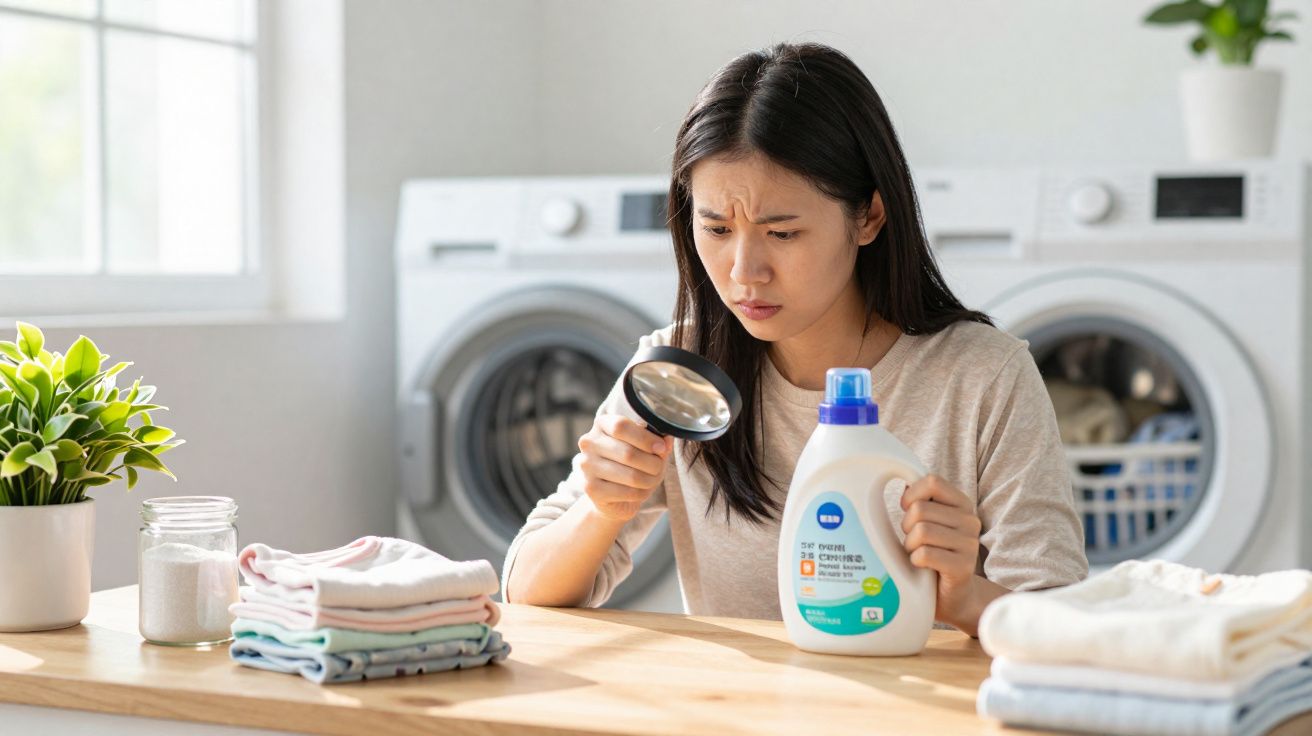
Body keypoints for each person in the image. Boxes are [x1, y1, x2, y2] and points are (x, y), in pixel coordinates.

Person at [501, 41, 1087, 637]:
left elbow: (1066, 625)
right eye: (717, 229)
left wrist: (960, 597)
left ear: (869, 218)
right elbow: (524, 591)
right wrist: (604, 510)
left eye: (781, 233)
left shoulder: (982, 376)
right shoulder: (680, 374)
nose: (743, 270)